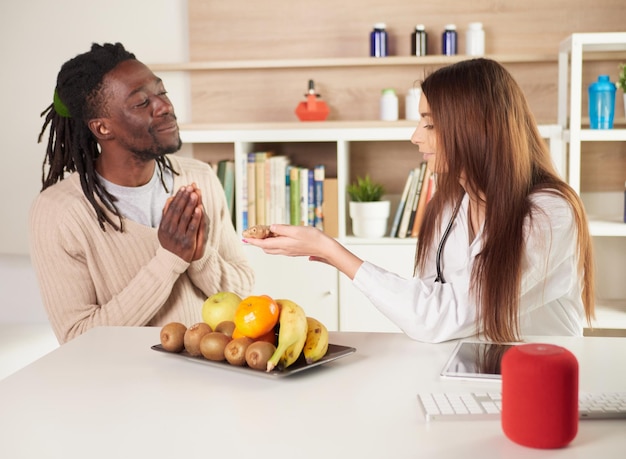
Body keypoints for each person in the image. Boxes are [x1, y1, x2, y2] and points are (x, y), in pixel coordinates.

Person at [244, 58, 595, 344]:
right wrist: (328, 251)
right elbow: (427, 300)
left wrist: (335, 252)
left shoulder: (549, 215)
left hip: (547, 380)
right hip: (475, 369)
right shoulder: (450, 205)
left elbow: (439, 317)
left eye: (429, 125)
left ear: (475, 129)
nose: (415, 137)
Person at [31, 42, 254, 344]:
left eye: (161, 93)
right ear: (102, 127)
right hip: (125, 386)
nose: (164, 106)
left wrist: (200, 257)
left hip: (215, 375)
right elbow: (77, 337)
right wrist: (170, 259)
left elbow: (244, 297)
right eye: (140, 103)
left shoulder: (198, 178)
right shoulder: (59, 212)